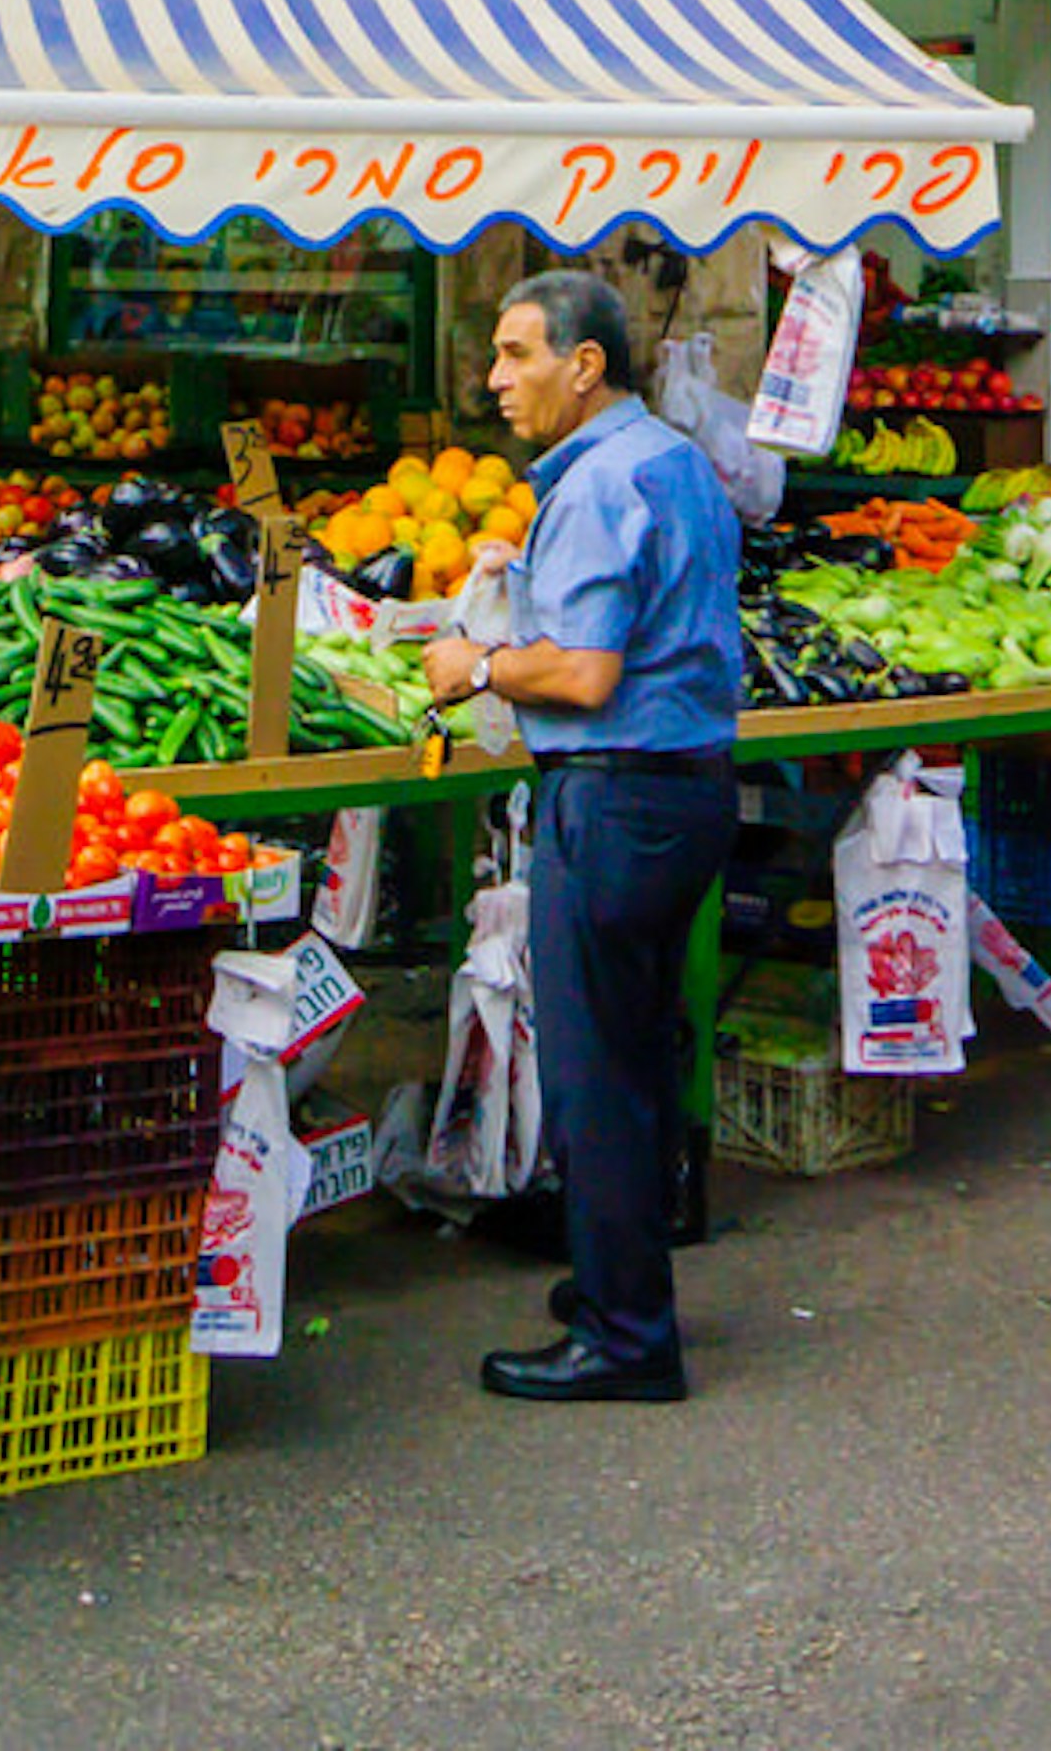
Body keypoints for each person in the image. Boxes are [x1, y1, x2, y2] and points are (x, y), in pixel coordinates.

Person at [421, 265, 742, 1409]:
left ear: (584, 364)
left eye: (517, 355)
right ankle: (622, 1279)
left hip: (614, 796)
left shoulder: (603, 482)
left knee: (596, 1068)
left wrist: (477, 667)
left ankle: (625, 1339)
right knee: (642, 1051)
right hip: (687, 790)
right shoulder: (673, 463)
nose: (496, 379)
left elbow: (588, 670)